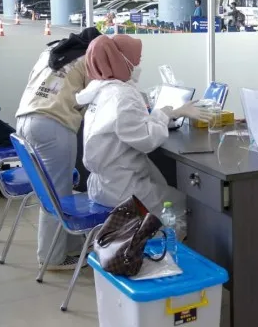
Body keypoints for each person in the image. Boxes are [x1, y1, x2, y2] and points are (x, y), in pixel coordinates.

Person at [76, 35, 211, 215]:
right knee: (186, 207)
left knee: (165, 188)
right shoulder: (122, 96)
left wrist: (169, 113)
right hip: (123, 190)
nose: (138, 64)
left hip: (104, 184)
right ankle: (162, 241)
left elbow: (132, 126)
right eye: (136, 59)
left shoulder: (103, 90)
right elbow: (148, 139)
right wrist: (168, 114)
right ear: (121, 59)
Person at [16, 26, 101, 270]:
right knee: (57, 194)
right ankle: (53, 257)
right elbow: (94, 96)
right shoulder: (89, 58)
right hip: (53, 126)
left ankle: (72, 248)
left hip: (25, 121)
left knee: (52, 190)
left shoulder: (52, 52)